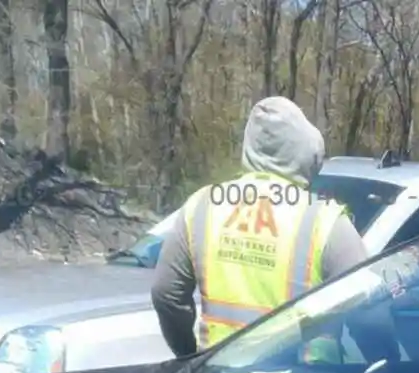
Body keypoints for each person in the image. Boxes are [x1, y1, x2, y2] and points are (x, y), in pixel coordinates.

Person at [151, 97, 368, 358]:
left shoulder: (203, 205)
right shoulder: (324, 219)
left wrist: (188, 357)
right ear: (306, 152)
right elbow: (368, 310)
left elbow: (166, 293)